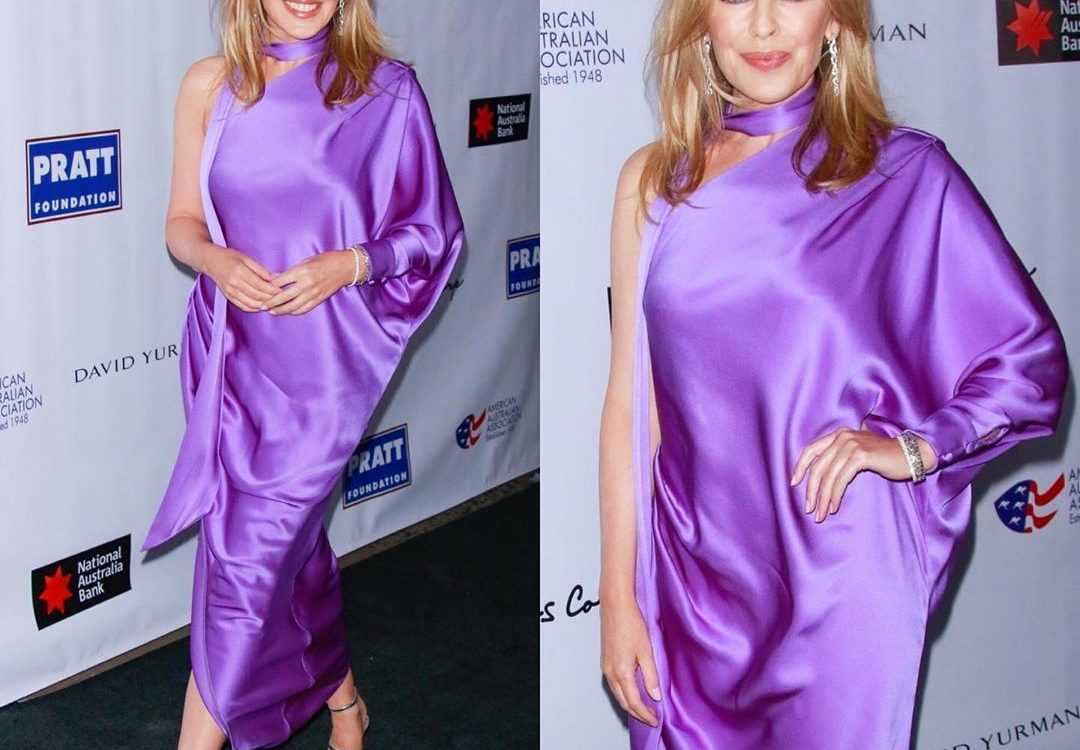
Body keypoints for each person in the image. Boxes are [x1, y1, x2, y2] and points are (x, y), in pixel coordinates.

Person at [597, 0, 1068, 748]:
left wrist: (917, 446)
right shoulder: (653, 182)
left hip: (841, 576)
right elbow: (631, 403)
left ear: (837, 21)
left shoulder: (903, 173)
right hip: (694, 578)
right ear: (699, 21)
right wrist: (618, 597)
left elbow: (1027, 360)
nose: (764, 23)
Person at [139, 1, 463, 749]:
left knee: (247, 566)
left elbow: (433, 232)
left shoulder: (385, 90)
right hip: (232, 359)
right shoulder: (210, 85)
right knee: (286, 550)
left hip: (324, 373)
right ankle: (345, 700)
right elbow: (181, 223)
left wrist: (350, 264)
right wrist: (216, 261)